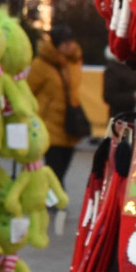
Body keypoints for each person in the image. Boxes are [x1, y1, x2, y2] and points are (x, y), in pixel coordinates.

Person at [27, 23, 86, 183]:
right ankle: (53, 196)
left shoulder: (74, 63)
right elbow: (28, 90)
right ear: (56, 44)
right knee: (55, 171)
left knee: (62, 170)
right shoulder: (40, 65)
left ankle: (53, 194)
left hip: (69, 124)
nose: (69, 46)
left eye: (71, 41)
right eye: (65, 42)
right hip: (49, 125)